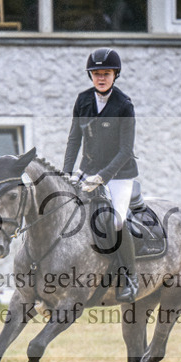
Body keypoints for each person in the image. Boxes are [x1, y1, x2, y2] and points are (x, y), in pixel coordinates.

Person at [62, 47, 139, 303]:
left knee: (116, 221)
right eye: (96, 74)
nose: (101, 78)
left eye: (106, 73)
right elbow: (74, 139)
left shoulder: (124, 105)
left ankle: (129, 277)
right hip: (88, 170)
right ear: (91, 76)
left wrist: (103, 177)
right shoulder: (82, 100)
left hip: (118, 175)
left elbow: (126, 150)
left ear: (115, 75)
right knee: (65, 214)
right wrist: (67, 172)